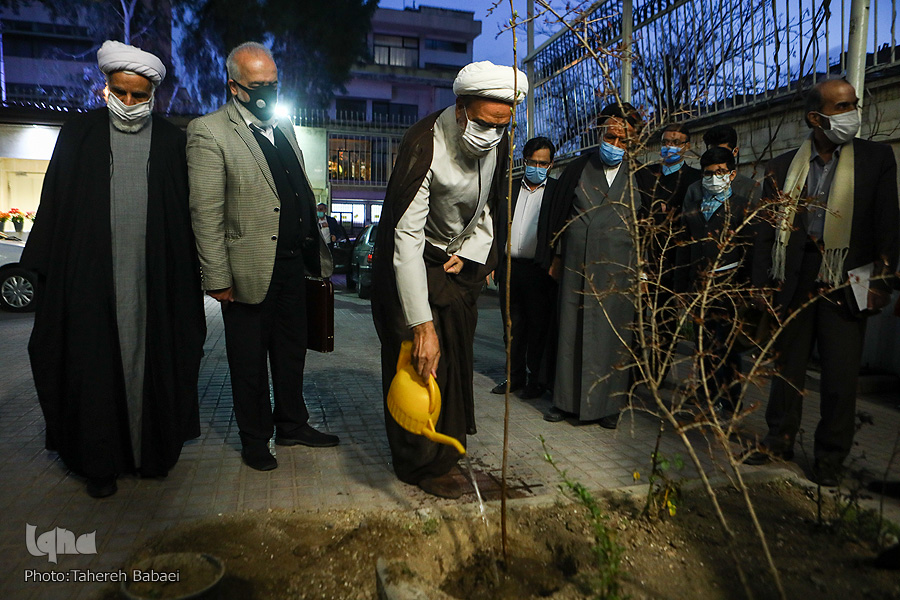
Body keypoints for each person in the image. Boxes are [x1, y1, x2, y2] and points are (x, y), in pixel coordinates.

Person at [20, 41, 206, 498]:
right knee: (92, 369)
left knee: (155, 364)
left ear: (153, 95)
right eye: (119, 92)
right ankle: (98, 463)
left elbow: (185, 219)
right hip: (89, 285)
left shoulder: (170, 142)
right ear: (106, 87)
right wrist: (44, 274)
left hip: (152, 286)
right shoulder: (79, 134)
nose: (127, 103)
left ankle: (152, 455)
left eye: (137, 96)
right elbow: (55, 206)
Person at [371, 60, 527, 498]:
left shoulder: (498, 142)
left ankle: (447, 452)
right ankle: (418, 463)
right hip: (412, 264)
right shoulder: (425, 144)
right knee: (417, 360)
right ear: (461, 109)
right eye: (484, 122)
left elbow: (490, 207)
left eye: (502, 125)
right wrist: (421, 325)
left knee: (453, 359)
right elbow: (405, 238)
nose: (492, 134)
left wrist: (470, 252)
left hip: (453, 265)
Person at [187, 42, 338, 472]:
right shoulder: (209, 131)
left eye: (274, 83)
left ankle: (291, 423)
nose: (269, 92)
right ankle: (255, 438)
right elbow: (206, 211)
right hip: (247, 272)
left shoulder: (284, 128)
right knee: (248, 361)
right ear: (234, 87)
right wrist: (216, 277)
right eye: (259, 86)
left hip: (293, 265)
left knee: (292, 353)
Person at [747, 79, 899, 486]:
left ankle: (830, 458)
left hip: (847, 281)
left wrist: (881, 283)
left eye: (853, 104)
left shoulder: (876, 158)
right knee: (787, 370)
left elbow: (888, 225)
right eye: (842, 106)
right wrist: (761, 283)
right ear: (816, 118)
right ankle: (777, 439)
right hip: (794, 278)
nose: (853, 112)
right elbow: (765, 231)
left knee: (840, 376)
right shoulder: (782, 167)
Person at [544, 103, 653, 427]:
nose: (615, 145)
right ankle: (565, 402)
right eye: (611, 137)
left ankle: (609, 406)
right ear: (601, 133)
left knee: (613, 338)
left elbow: (648, 229)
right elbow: (559, 217)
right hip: (576, 267)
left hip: (618, 273)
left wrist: (644, 272)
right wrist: (556, 257)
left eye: (623, 141)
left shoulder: (641, 176)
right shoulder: (577, 169)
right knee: (570, 333)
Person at [678, 147, 755, 416]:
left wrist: (745, 287)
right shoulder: (694, 206)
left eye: (721, 172)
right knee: (705, 345)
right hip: (700, 288)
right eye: (709, 173)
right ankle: (708, 396)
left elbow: (751, 250)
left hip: (729, 289)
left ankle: (730, 402)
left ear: (732, 174)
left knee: (727, 348)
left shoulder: (743, 207)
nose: (714, 178)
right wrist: (684, 287)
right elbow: (685, 246)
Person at [490, 136, 559, 399]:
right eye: (533, 162)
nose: (538, 168)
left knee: (537, 328)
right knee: (512, 328)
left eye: (544, 163)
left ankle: (536, 380)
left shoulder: (555, 191)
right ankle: (514, 377)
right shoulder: (509, 189)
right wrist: (494, 262)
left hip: (539, 271)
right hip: (509, 269)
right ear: (525, 161)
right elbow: (496, 226)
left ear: (551, 165)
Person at [645, 122, 702, 384]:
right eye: (667, 142)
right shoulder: (646, 175)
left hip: (673, 260)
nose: (670, 147)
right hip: (645, 256)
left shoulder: (695, 181)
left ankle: (657, 371)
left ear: (687, 146)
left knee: (665, 319)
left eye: (677, 142)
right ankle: (636, 368)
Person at [702, 124, 761, 203]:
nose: (717, 156)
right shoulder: (695, 188)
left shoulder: (750, 187)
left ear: (735, 151)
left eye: (723, 152)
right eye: (713, 151)